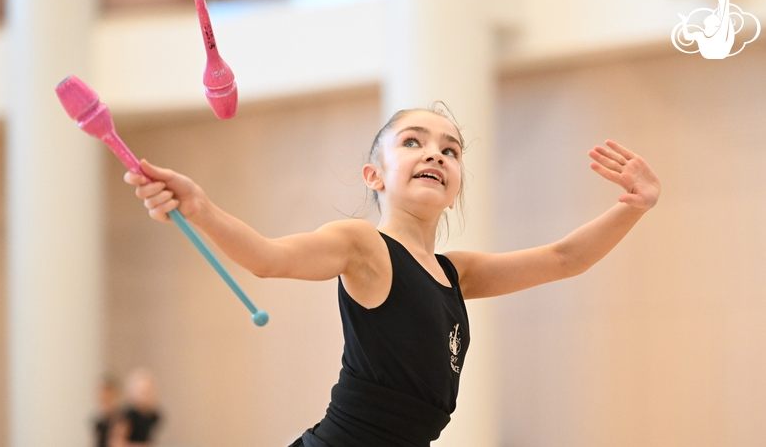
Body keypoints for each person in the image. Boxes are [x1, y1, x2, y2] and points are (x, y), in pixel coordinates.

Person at [124, 104, 660, 446]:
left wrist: (634, 206)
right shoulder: (363, 246)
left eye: (450, 149)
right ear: (373, 175)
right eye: (413, 141)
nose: (435, 152)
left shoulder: (457, 273)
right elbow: (268, 258)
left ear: (456, 186)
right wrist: (200, 208)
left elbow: (566, 259)